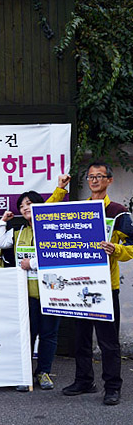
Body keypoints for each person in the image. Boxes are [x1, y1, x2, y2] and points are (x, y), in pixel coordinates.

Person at [62, 162, 131, 405]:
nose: (94, 180)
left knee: (108, 342)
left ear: (109, 180)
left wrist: (116, 250)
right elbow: (46, 219)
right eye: (91, 176)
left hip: (105, 286)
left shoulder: (118, 212)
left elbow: (132, 246)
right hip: (78, 285)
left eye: (99, 176)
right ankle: (84, 380)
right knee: (80, 338)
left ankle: (112, 387)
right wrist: (61, 190)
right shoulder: (78, 209)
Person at [0, 176, 70, 391]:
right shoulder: (19, 232)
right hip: (27, 294)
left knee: (49, 334)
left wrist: (33, 263)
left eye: (29, 203)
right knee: (27, 334)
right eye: (22, 206)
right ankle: (25, 373)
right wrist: (3, 221)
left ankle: (43, 372)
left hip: (51, 292)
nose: (25, 208)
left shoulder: (52, 228)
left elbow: (59, 254)